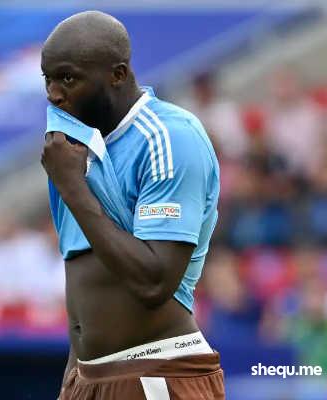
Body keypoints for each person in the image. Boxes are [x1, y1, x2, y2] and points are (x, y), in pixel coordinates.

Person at [40, 11, 223, 399]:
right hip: (88, 377)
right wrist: (73, 380)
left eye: (68, 78)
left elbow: (154, 281)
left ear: (118, 74)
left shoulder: (169, 137)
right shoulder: (75, 149)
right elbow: (84, 279)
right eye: (48, 79)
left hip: (157, 370)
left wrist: (72, 187)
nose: (54, 94)